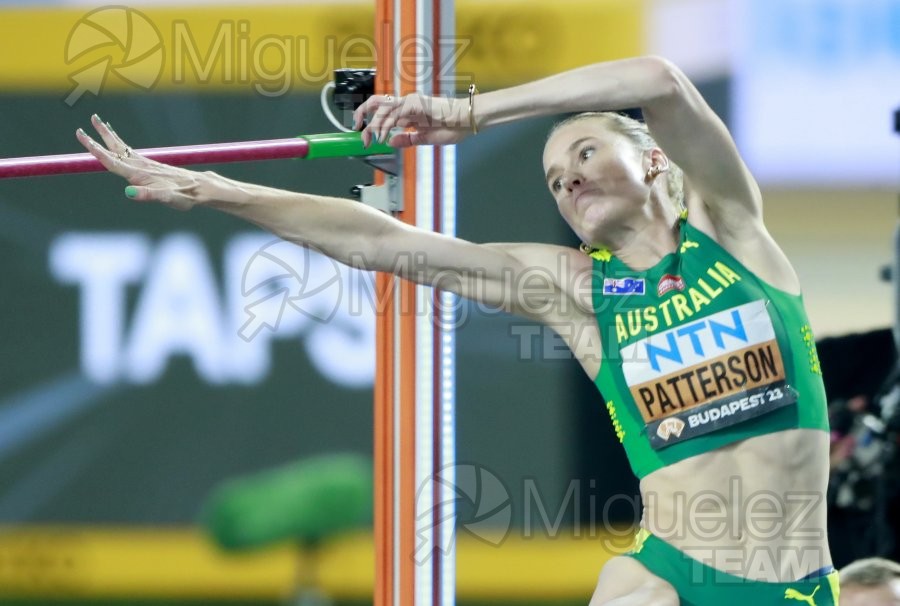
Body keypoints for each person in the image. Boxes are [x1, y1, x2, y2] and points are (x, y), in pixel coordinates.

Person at [76, 55, 837, 605]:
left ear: (654, 158)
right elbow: (379, 241)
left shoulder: (735, 236)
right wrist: (217, 191)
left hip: (800, 584)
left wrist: (472, 112)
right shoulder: (577, 292)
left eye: (583, 152)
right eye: (552, 179)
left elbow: (660, 81)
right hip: (671, 576)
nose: (566, 177)